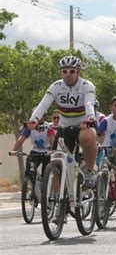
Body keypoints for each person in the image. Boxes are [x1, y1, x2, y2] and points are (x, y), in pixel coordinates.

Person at [29, 55, 97, 187]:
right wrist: (34, 119)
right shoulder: (56, 86)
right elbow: (43, 104)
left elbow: (89, 103)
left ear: (78, 72)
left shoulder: (87, 85)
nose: (68, 74)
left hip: (83, 124)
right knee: (55, 165)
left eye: (72, 71)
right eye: (64, 71)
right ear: (61, 72)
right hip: (64, 127)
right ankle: (57, 201)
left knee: (87, 137)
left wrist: (90, 118)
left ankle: (89, 171)